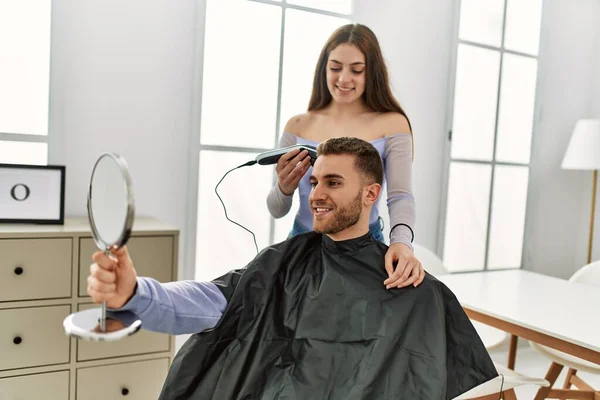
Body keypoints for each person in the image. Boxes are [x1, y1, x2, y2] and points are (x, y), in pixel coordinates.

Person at [88, 138, 497, 399]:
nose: (316, 194)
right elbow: (212, 302)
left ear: (371, 193)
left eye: (333, 183)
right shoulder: (282, 262)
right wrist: (136, 293)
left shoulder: (408, 284)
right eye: (314, 182)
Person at [267, 23, 422, 290]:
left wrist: (401, 243)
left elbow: (400, 197)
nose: (344, 79)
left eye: (356, 70)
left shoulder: (393, 124)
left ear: (371, 72)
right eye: (335, 68)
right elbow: (276, 209)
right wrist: (284, 187)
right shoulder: (298, 126)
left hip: (364, 246)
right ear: (323, 68)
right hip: (302, 242)